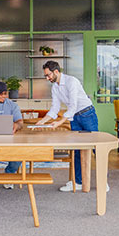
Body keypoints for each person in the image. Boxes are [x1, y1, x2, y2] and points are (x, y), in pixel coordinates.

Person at [37, 60, 106, 192]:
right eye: (46, 76)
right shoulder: (55, 87)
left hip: (87, 114)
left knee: (96, 148)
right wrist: (43, 121)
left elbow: (73, 105)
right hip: (74, 117)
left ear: (56, 71)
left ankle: (103, 182)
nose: (47, 78)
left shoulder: (71, 82)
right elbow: (55, 108)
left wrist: (59, 122)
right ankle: (78, 182)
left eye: (48, 75)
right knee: (77, 149)